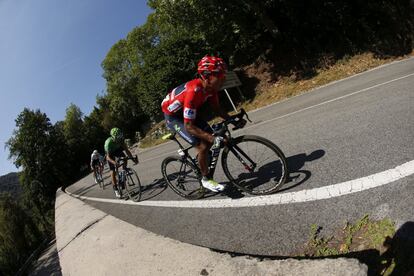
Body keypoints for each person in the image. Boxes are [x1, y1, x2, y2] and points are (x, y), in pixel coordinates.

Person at [161, 55, 244, 192]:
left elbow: (217, 109)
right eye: (220, 76)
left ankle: (201, 160)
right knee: (203, 145)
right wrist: (211, 138)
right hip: (173, 117)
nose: (223, 79)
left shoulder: (211, 89)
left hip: (187, 111)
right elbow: (189, 126)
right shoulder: (193, 91)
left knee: (211, 138)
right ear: (206, 76)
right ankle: (205, 179)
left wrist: (232, 119)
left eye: (224, 75)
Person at [104, 127, 138, 198]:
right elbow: (108, 157)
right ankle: (116, 189)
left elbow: (127, 151)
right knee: (112, 170)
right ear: (114, 137)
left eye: (120, 137)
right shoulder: (108, 143)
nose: (120, 139)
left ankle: (123, 172)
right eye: (118, 137)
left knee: (124, 158)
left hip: (117, 150)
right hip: (110, 153)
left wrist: (132, 159)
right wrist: (114, 162)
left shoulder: (121, 140)